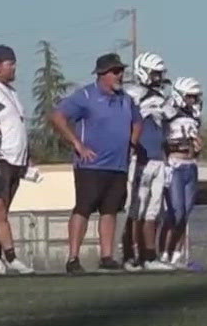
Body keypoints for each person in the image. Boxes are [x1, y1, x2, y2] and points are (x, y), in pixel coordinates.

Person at [50, 53, 142, 272]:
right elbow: (57, 117)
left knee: (110, 210)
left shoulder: (126, 99)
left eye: (121, 71)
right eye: (115, 71)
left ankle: (107, 256)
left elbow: (138, 122)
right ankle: (73, 257)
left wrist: (131, 143)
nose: (120, 75)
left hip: (118, 165)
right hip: (91, 165)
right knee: (83, 208)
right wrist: (77, 144)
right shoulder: (85, 96)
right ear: (103, 74)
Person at [0, 45, 35, 274]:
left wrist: (28, 159)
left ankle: (1, 256)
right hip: (1, 159)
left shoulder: (12, 92)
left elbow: (17, 125)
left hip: (17, 160)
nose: (14, 67)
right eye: (10, 63)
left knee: (1, 211)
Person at [124, 86, 176, 270]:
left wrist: (166, 159)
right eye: (154, 73)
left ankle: (149, 256)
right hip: (140, 160)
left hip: (157, 160)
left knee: (153, 212)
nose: (158, 78)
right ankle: (130, 256)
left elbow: (169, 121)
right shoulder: (133, 94)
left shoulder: (160, 97)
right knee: (136, 210)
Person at [159, 78, 204, 269]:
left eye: (195, 96)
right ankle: (163, 252)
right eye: (189, 96)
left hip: (191, 165)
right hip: (174, 165)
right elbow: (161, 139)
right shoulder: (167, 113)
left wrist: (197, 146)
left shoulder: (193, 115)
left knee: (184, 214)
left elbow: (195, 142)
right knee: (175, 213)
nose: (193, 100)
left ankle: (175, 252)